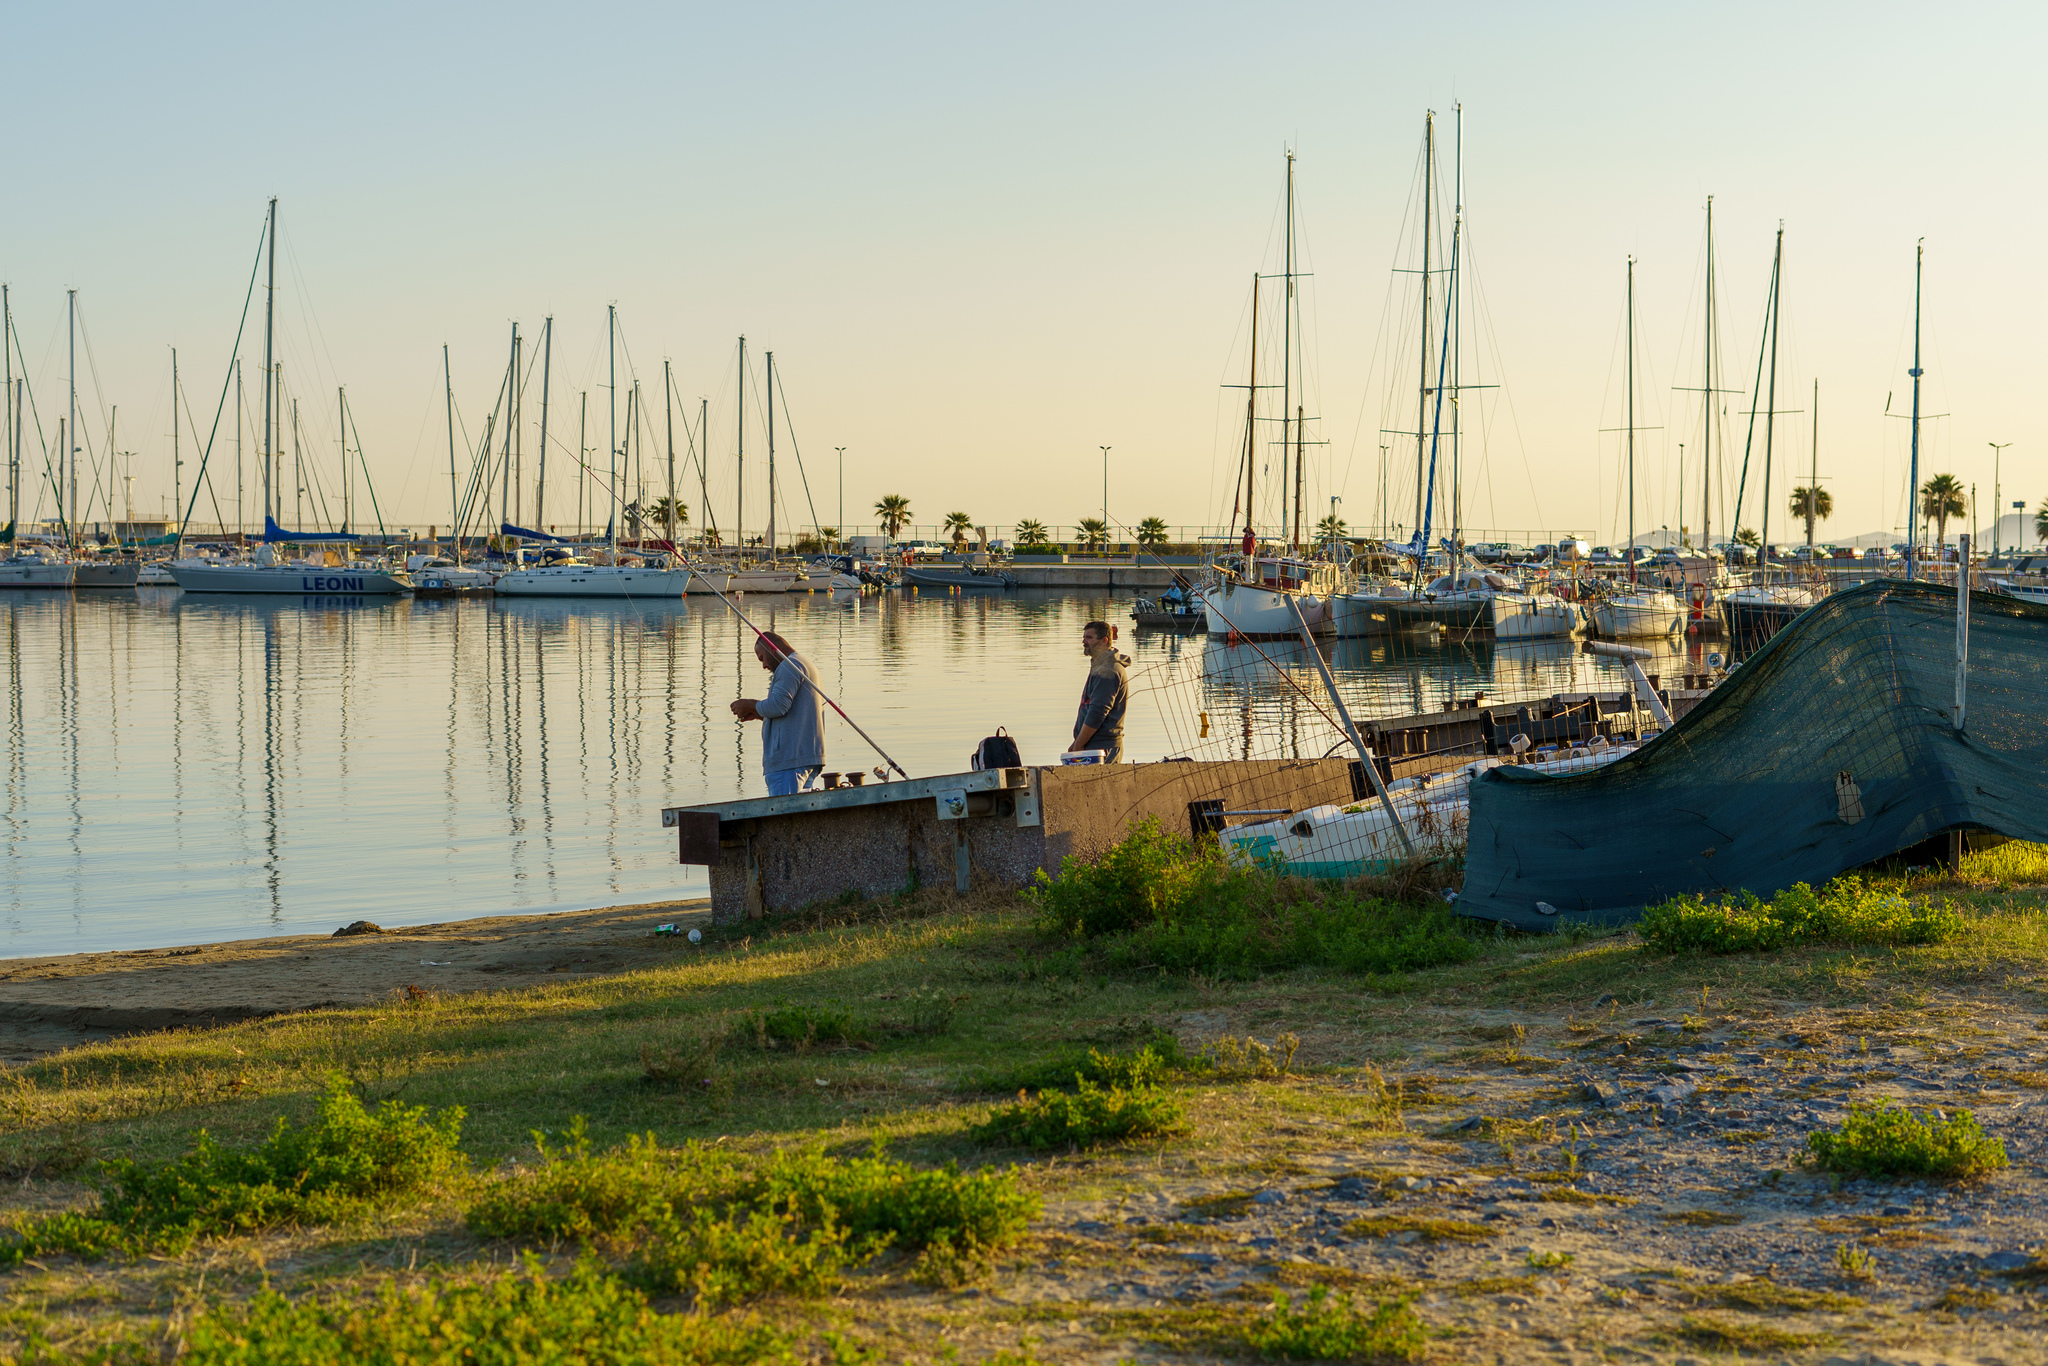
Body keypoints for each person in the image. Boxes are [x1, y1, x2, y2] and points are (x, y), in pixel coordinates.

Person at [730, 631, 825, 795]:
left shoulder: (789, 666)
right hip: (805, 757)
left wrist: (751, 705)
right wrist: (760, 714)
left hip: (789, 762)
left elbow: (778, 706)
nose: (763, 666)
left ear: (771, 648)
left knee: (785, 816)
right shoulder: (802, 663)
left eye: (762, 658)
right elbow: (794, 712)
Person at [1067, 620, 1129, 762]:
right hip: (1093, 745)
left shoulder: (1107, 671)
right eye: (1083, 637)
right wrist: (1076, 744)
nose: (1084, 641)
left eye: (1089, 637)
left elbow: (1097, 712)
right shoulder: (1100, 666)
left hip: (1102, 748)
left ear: (1104, 641)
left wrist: (1078, 745)